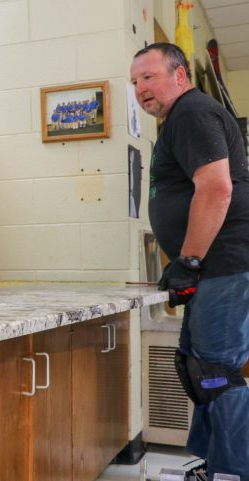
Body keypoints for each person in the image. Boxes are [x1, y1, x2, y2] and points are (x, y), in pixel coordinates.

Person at [131, 42, 249, 480]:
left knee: (216, 372)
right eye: (136, 81)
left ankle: (233, 471)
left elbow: (217, 188)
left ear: (180, 75)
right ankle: (213, 463)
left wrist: (191, 260)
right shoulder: (182, 119)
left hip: (222, 265)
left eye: (149, 76)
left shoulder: (192, 113)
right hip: (215, 267)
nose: (141, 88)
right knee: (198, 367)